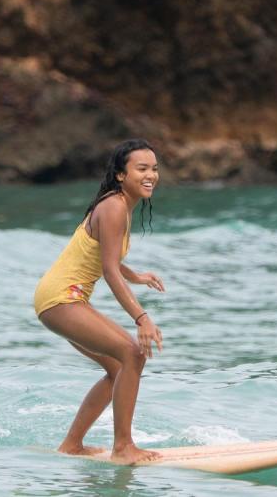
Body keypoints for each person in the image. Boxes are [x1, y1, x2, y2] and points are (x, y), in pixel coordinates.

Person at [34, 139, 165, 465]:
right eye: (142, 169)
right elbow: (107, 270)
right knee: (132, 353)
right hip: (62, 299)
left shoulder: (120, 205)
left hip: (59, 299)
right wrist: (141, 318)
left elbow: (104, 256)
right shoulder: (115, 207)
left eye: (154, 168)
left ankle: (72, 445)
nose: (151, 175)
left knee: (117, 367)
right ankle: (123, 447)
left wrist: (135, 276)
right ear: (121, 174)